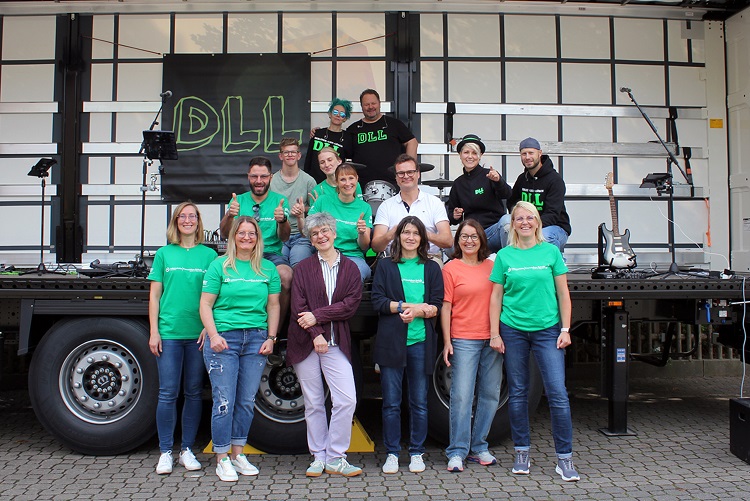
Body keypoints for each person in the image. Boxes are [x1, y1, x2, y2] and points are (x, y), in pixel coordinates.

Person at [489, 201, 579, 482]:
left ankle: (564, 458)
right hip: (513, 329)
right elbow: (496, 297)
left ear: (538, 222)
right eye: (519, 218)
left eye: (530, 217)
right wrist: (494, 333)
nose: (525, 222)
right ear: (512, 224)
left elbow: (563, 294)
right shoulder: (504, 255)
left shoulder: (551, 252)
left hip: (547, 331)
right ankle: (521, 453)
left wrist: (565, 329)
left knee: (557, 393)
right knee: (518, 393)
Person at [200, 216, 281, 482]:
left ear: (258, 238)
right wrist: (213, 335)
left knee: (246, 401)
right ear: (233, 236)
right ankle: (222, 458)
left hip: (256, 339)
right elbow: (205, 304)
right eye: (242, 233)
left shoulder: (268, 269)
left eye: (252, 233)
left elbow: (273, 305)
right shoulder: (219, 266)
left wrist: (271, 337)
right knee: (224, 401)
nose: (247, 238)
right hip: (224, 340)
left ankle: (238, 453)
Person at [287, 212, 363, 478]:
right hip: (306, 342)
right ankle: (319, 457)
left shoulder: (351, 268)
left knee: (346, 400)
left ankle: (336, 456)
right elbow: (298, 307)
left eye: (324, 231)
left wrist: (317, 317)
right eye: (315, 233)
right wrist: (316, 334)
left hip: (335, 342)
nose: (320, 236)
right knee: (314, 402)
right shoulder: (302, 269)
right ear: (310, 239)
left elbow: (350, 306)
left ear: (334, 233)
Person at [148, 201, 217, 475]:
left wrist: (208, 327)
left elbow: (216, 296)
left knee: (194, 392)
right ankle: (165, 451)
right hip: (169, 333)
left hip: (197, 335)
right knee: (167, 393)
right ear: (176, 222)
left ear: (198, 221)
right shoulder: (164, 254)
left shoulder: (209, 255)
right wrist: (154, 331)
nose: (187, 220)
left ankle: (187, 450)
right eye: (182, 216)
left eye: (192, 216)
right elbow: (154, 296)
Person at [371, 216, 443, 475]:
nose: (410, 237)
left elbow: (436, 305)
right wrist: (405, 307)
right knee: (391, 403)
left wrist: (420, 312)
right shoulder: (386, 266)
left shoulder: (431, 268)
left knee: (419, 402)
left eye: (415, 233)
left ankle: (416, 452)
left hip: (420, 342)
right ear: (398, 236)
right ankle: (392, 453)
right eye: (405, 232)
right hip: (391, 343)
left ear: (422, 238)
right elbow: (378, 301)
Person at [441, 219, 503, 473]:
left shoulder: (492, 266)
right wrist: (447, 341)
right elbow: (446, 307)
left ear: (482, 240)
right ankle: (457, 451)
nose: (469, 241)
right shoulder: (450, 268)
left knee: (490, 394)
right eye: (464, 236)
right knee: (461, 396)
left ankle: (479, 447)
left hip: (492, 338)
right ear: (458, 241)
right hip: (464, 338)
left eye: (474, 236)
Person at [220, 156, 292, 322]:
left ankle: (275, 332)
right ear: (248, 176)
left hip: (270, 254)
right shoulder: (238, 200)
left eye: (263, 176)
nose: (259, 181)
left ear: (271, 177)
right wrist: (229, 215)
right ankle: (226, 324)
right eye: (254, 176)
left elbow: (285, 237)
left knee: (286, 276)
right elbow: (224, 234)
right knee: (216, 270)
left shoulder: (279, 201)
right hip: (240, 254)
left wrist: (282, 221)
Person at [371, 154, 452, 264]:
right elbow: (376, 246)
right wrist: (390, 234)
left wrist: (424, 233)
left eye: (410, 172)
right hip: (395, 259)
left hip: (428, 258)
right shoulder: (386, 206)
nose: (406, 176)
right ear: (396, 177)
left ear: (418, 174)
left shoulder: (434, 202)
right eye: (401, 173)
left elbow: (448, 241)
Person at [499, 137, 571, 252]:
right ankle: (511, 258)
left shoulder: (555, 180)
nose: (527, 157)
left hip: (554, 228)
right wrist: (520, 223)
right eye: (524, 154)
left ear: (540, 153)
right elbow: (512, 202)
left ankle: (555, 261)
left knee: (544, 236)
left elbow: (552, 214)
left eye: (531, 153)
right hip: (526, 226)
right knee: (506, 221)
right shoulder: (522, 179)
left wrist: (531, 227)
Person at [305, 163, 372, 281]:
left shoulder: (365, 207)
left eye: (351, 178)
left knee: (352, 276)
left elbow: (364, 246)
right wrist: (300, 217)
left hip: (353, 256)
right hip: (326, 253)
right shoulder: (323, 200)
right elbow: (308, 229)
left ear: (357, 179)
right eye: (342, 179)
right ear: (336, 182)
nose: (347, 183)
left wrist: (361, 233)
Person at [446, 134, 512, 253]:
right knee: (449, 248)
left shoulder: (490, 175)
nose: (470, 156)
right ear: (460, 155)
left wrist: (498, 181)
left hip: (492, 233)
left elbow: (507, 194)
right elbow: (451, 216)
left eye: (474, 153)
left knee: (507, 220)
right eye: (466, 152)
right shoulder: (458, 183)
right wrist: (455, 215)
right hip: (470, 236)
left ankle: (509, 260)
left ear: (480, 155)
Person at [347, 88, 418, 188]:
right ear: (361, 106)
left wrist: (408, 169)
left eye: (373, 103)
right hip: (362, 185)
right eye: (366, 104)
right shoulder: (353, 129)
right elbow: (343, 153)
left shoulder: (393, 124)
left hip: (393, 184)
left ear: (379, 104)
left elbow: (412, 142)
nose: (370, 107)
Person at [270, 137, 317, 267]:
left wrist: (303, 209)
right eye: (286, 152)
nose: (290, 155)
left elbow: (315, 211)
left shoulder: (309, 181)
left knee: (299, 267)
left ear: (299, 155)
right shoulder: (271, 180)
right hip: (278, 236)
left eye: (293, 152)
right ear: (280, 156)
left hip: (301, 236)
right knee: (279, 268)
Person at [304, 98, 354, 183]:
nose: (338, 115)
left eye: (342, 114)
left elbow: (348, 163)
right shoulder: (317, 133)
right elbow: (308, 158)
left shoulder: (348, 138)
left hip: (335, 182)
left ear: (345, 118)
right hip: (313, 181)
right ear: (330, 114)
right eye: (335, 112)